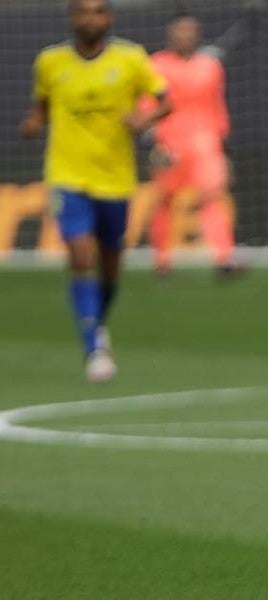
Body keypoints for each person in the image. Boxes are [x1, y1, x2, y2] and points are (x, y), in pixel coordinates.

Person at [19, 0, 170, 382]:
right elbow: (43, 104)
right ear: (72, 18)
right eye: (84, 12)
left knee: (110, 263)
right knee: (81, 253)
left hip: (116, 179)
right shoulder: (50, 62)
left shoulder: (131, 58)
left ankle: (96, 322)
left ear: (110, 18)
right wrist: (34, 122)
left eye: (98, 12)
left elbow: (165, 101)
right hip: (67, 175)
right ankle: (94, 346)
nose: (91, 19)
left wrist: (143, 118)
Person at [149, 12, 241, 278]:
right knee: (165, 200)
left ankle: (224, 257)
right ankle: (162, 260)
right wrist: (156, 141)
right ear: (170, 34)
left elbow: (217, 106)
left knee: (212, 197)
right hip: (170, 143)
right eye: (180, 30)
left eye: (190, 30)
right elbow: (148, 104)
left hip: (205, 142)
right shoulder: (157, 64)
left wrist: (222, 142)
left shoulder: (210, 65)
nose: (185, 36)